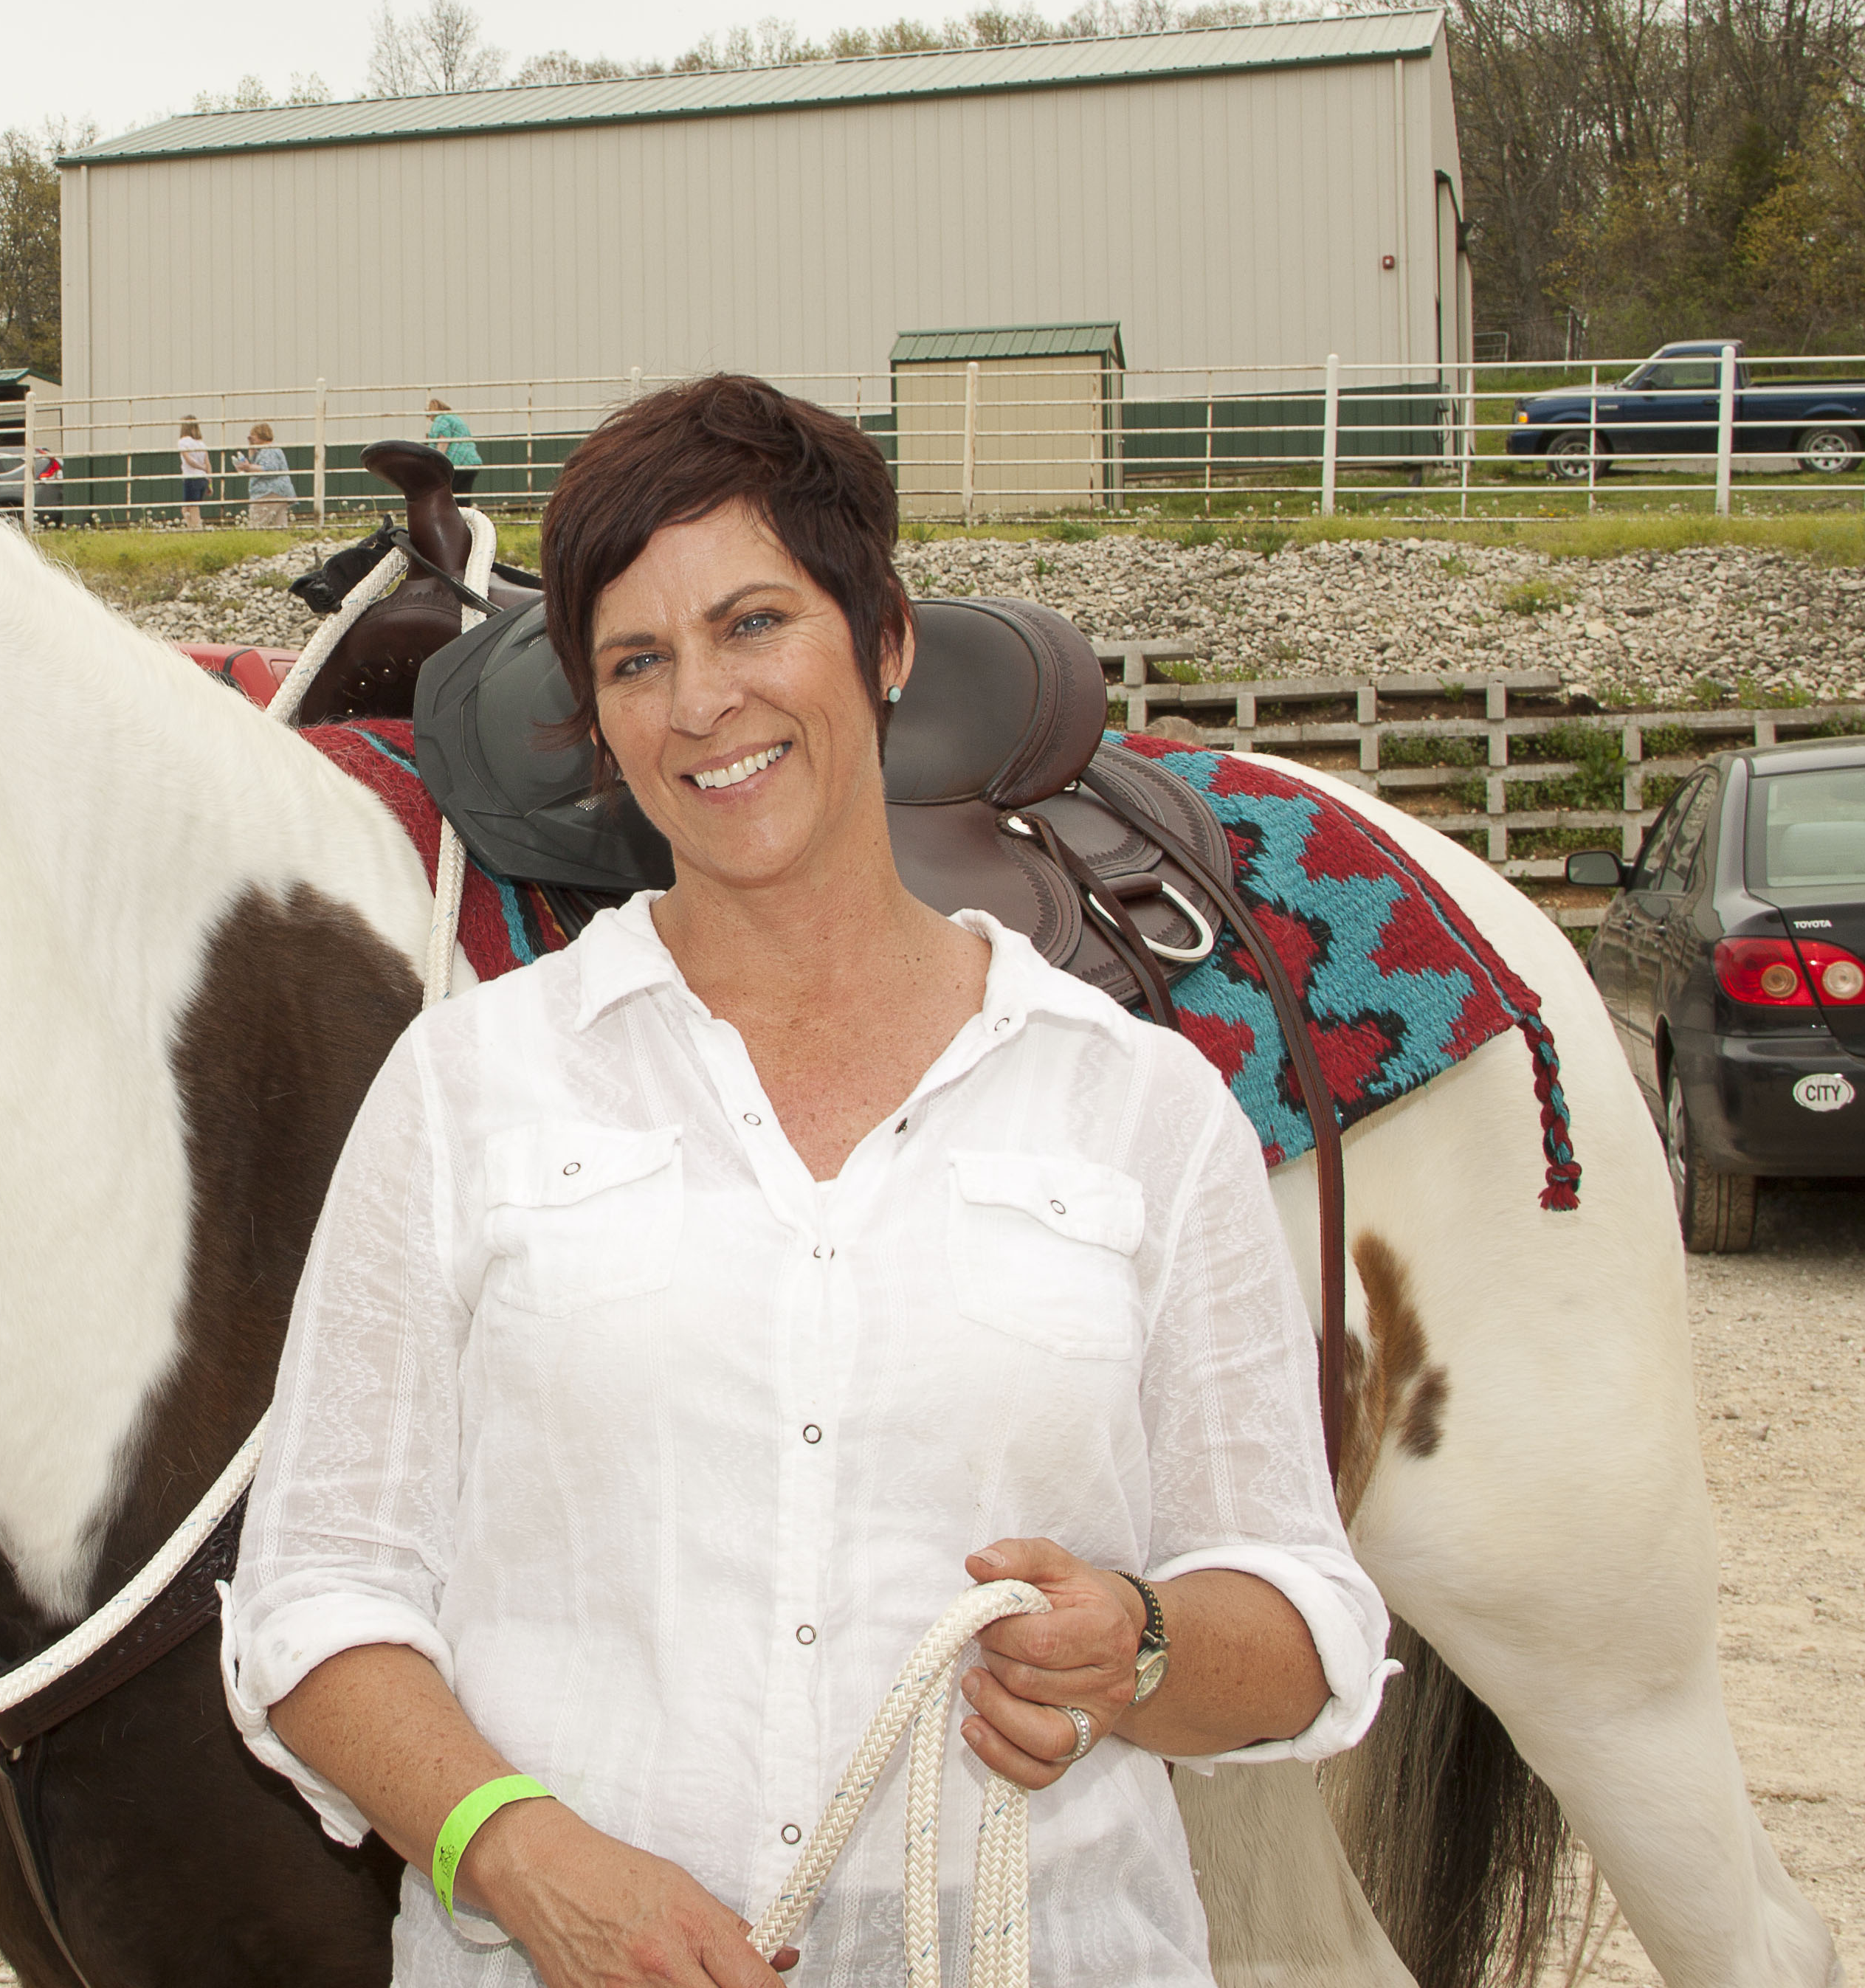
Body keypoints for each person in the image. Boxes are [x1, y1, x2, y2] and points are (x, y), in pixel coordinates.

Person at [223, 373, 1386, 1988]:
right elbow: (312, 1604)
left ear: (884, 640)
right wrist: (522, 1854)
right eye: (638, 660)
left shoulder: (1140, 1106)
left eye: (756, 624)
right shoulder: (464, 1087)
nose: (701, 703)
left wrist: (1145, 1644)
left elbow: (1303, 1617)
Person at [426, 397, 484, 497]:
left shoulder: (441, 419)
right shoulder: (455, 418)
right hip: (471, 462)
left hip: (457, 463)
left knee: (450, 497)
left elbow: (443, 440)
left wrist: (436, 463)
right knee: (463, 497)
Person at [243, 421, 297, 526]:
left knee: (256, 525)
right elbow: (254, 461)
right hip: (282, 492)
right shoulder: (269, 450)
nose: (252, 438)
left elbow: (269, 469)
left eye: (253, 436)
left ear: (260, 436)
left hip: (268, 492)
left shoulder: (269, 450)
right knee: (279, 526)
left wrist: (249, 467)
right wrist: (252, 446)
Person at [178, 415, 213, 528]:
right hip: (203, 479)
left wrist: (201, 467)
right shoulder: (201, 444)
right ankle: (191, 527)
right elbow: (208, 464)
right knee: (187, 508)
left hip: (191, 478)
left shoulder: (183, 442)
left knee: (193, 508)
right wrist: (210, 483)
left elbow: (188, 460)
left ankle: (196, 529)